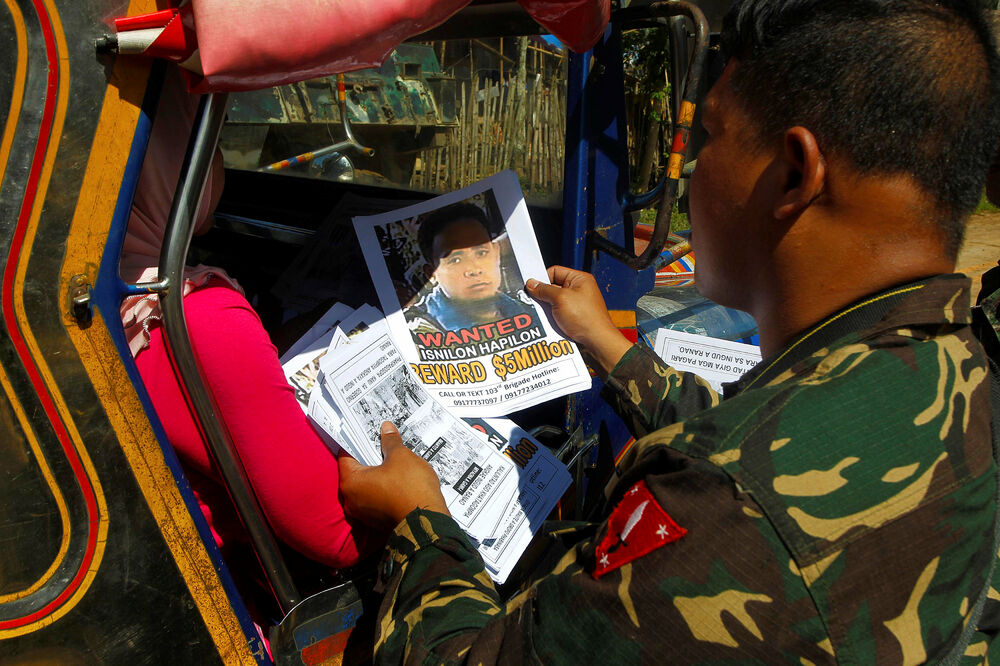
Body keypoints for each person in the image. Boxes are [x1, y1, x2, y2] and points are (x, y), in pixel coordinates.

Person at [338, 0, 1000, 662]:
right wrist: (608, 345)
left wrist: (421, 525)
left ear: (794, 173)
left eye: (711, 135)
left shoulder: (727, 509)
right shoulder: (959, 365)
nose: (693, 173)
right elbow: (769, 434)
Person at [120, 69, 377, 611]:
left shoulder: (112, 292)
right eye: (207, 146)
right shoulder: (194, 313)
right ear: (167, 169)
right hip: (221, 600)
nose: (216, 164)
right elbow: (332, 535)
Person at [403, 202, 536, 334]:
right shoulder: (417, 328)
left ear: (496, 253)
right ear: (431, 273)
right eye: (455, 260)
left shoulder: (526, 306)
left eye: (481, 253)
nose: (474, 270)